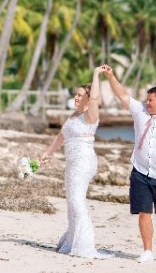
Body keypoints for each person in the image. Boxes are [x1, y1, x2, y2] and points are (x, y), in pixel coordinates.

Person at [101, 64, 156, 264]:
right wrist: (111, 76)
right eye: (146, 99)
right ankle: (147, 250)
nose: (147, 103)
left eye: (150, 100)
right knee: (143, 212)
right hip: (140, 172)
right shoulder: (139, 111)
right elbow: (122, 95)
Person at [40, 66, 113, 259]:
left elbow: (95, 97)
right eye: (76, 95)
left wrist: (96, 74)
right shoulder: (73, 116)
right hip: (72, 164)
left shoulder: (91, 116)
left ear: (89, 99)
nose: (77, 98)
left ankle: (84, 244)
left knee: (77, 201)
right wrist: (47, 153)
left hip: (84, 162)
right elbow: (61, 136)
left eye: (81, 95)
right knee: (72, 202)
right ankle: (73, 241)